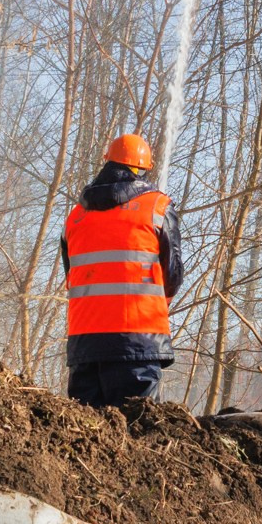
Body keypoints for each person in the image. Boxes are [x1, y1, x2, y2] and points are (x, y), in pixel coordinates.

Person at [58, 132, 182, 407]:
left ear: (107, 164)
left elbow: (73, 277)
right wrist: (158, 305)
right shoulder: (157, 207)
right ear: (141, 170)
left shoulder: (76, 216)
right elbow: (171, 274)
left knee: (84, 437)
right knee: (138, 434)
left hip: (85, 345)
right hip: (139, 341)